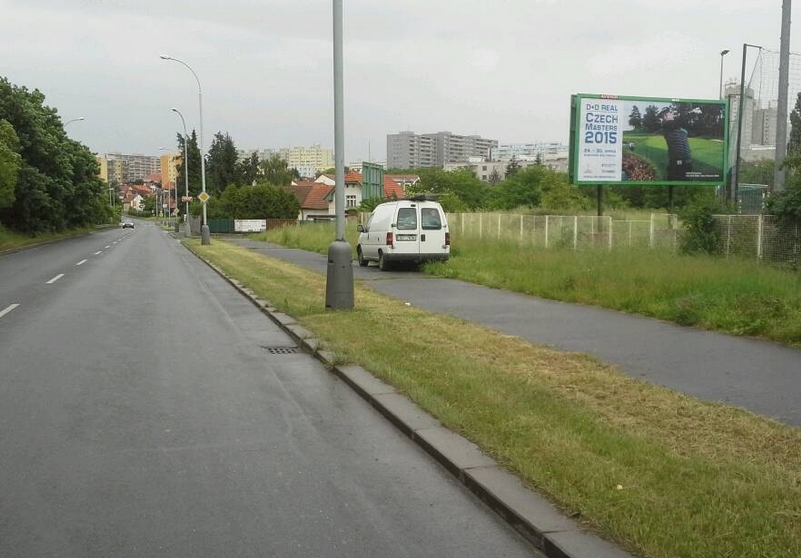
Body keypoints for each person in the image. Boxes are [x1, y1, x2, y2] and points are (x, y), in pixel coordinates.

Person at [659, 106, 701, 181]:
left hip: (687, 161)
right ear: (665, 117)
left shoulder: (678, 126)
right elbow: (680, 120)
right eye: (669, 113)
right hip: (677, 162)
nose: (672, 114)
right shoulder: (667, 126)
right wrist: (691, 112)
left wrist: (696, 116)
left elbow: (695, 131)